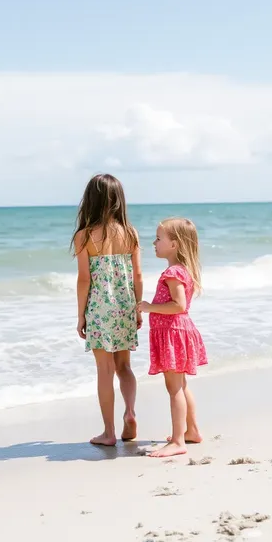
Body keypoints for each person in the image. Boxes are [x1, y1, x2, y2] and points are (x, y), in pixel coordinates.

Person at [72, 174, 143, 446]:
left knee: (104, 370)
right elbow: (137, 275)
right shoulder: (130, 233)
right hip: (125, 304)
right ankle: (131, 412)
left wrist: (81, 315)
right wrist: (137, 307)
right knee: (124, 366)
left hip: (100, 308)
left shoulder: (85, 235)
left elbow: (84, 279)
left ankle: (109, 432)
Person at [138, 217, 207, 458]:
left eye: (158, 239)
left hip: (173, 333)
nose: (154, 242)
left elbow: (179, 305)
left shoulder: (172, 272)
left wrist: (148, 307)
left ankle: (178, 440)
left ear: (174, 244)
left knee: (174, 388)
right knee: (182, 385)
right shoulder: (180, 270)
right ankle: (192, 430)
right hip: (177, 332)